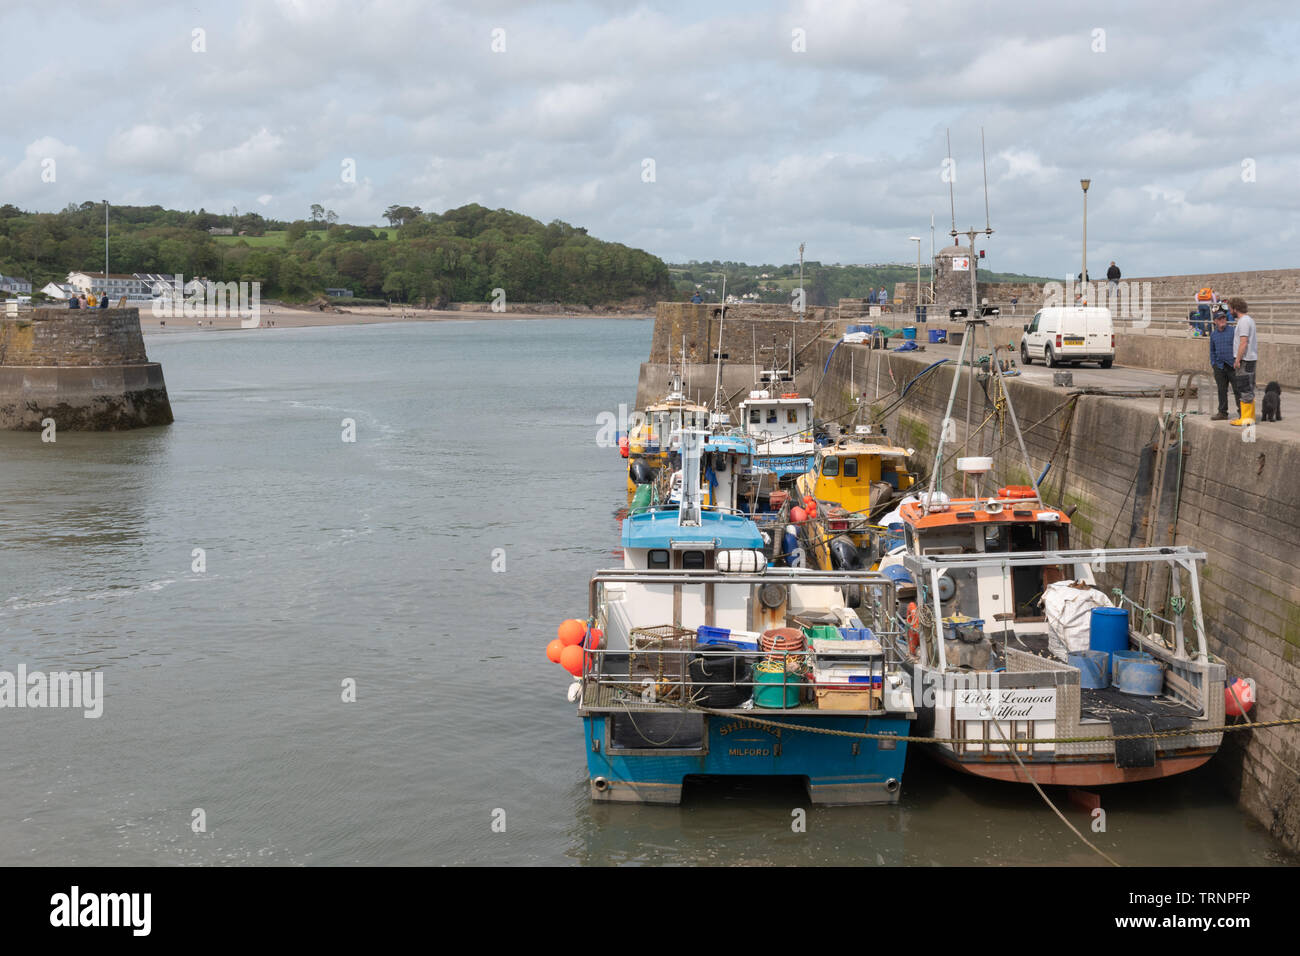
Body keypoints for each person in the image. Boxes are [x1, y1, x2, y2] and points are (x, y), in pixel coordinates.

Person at [1227, 297, 1258, 426]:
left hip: (1244, 360)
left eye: (1230, 309)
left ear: (1235, 308)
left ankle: (1246, 419)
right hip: (1250, 359)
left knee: (1244, 388)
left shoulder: (1244, 321)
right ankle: (1250, 418)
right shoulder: (1249, 320)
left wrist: (1237, 359)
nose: (1229, 311)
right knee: (1248, 388)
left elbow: (1243, 342)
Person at [1208, 307, 1239, 421]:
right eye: (1220, 318)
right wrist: (1214, 363)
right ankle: (1222, 412)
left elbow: (1239, 346)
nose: (1222, 320)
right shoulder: (1213, 335)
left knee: (1237, 390)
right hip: (1219, 366)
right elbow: (1212, 350)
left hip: (1232, 365)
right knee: (1221, 390)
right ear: (1215, 321)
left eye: (1223, 318)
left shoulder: (1233, 331)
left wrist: (1238, 360)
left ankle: (1242, 412)